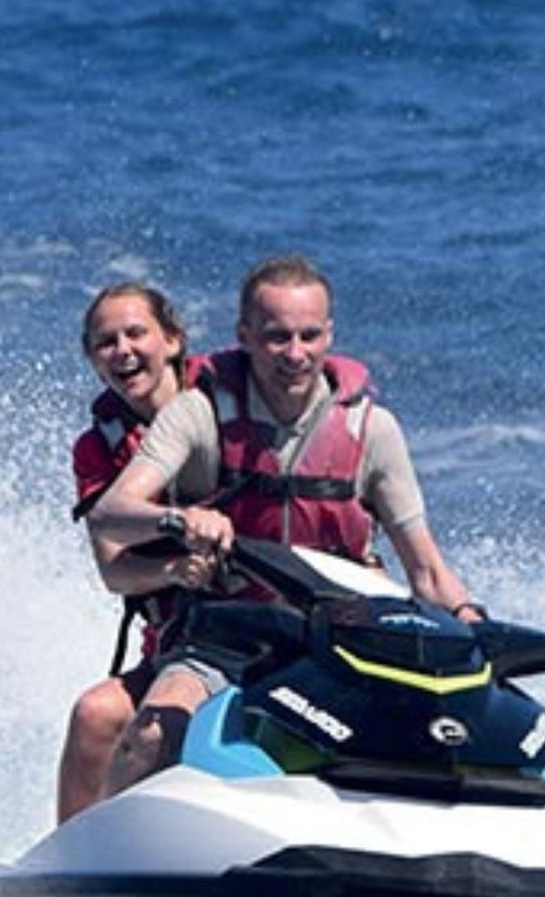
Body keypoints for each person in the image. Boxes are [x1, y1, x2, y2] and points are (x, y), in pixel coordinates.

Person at [89, 253, 484, 797]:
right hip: (226, 638)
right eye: (277, 338)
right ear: (245, 336)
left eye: (309, 336)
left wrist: (473, 627)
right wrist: (180, 521)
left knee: (453, 734)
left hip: (339, 640)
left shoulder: (371, 430)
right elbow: (112, 514)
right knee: (152, 735)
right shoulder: (197, 414)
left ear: (329, 335)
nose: (295, 354)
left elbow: (429, 573)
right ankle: (100, 868)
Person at [55, 283, 219, 821]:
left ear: (172, 340)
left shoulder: (227, 410)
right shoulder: (99, 448)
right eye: (106, 342)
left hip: (263, 628)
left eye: (136, 333)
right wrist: (176, 568)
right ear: (93, 360)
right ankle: (71, 872)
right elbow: (113, 570)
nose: (122, 349)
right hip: (178, 640)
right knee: (95, 713)